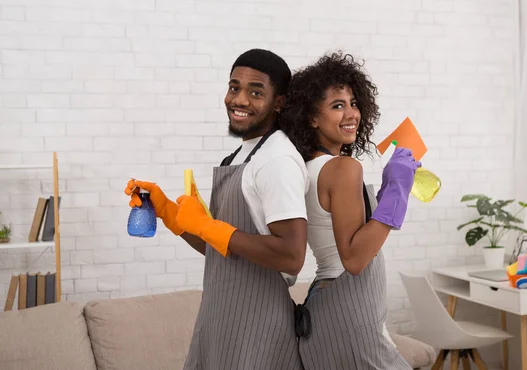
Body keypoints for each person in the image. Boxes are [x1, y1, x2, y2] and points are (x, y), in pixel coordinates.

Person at [124, 49, 308, 370]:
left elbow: (291, 255)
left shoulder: (278, 160)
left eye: (255, 92)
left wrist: (208, 226)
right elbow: (220, 248)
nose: (239, 99)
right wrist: (167, 210)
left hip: (258, 327)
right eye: (234, 87)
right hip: (220, 315)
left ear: (278, 102)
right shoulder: (237, 157)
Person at [279, 51, 418, 369]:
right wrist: (397, 191)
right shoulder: (344, 168)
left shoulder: (309, 167)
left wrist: (386, 193)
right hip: (349, 305)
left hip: (325, 308)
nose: (351, 114)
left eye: (354, 103)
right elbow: (354, 259)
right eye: (337, 105)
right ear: (312, 117)